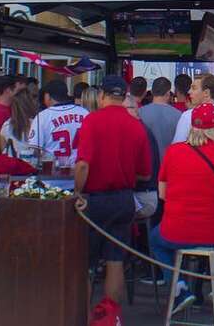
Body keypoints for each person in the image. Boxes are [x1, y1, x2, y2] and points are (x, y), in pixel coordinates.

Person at [75, 76, 153, 308]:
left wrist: (77, 191)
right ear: (124, 96)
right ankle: (110, 316)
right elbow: (145, 174)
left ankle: (84, 317)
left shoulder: (92, 121)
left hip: (94, 201)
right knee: (115, 261)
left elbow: (82, 165)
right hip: (123, 200)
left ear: (101, 96)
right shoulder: (136, 126)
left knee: (85, 264)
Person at [150, 103, 214, 313]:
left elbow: (162, 194)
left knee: (154, 239)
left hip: (175, 231)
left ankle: (178, 287)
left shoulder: (173, 151)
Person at [28, 80, 89, 172]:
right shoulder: (84, 113)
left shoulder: (43, 116)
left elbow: (34, 151)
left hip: (51, 178)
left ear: (48, 96)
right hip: (79, 175)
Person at [138, 76, 181, 166]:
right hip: (169, 166)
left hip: (146, 166)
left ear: (152, 92)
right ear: (168, 93)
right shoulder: (178, 115)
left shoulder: (140, 113)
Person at [0, 89, 38, 157]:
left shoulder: (6, 126)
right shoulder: (37, 124)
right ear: (30, 104)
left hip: (13, 165)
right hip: (32, 165)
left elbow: (4, 151)